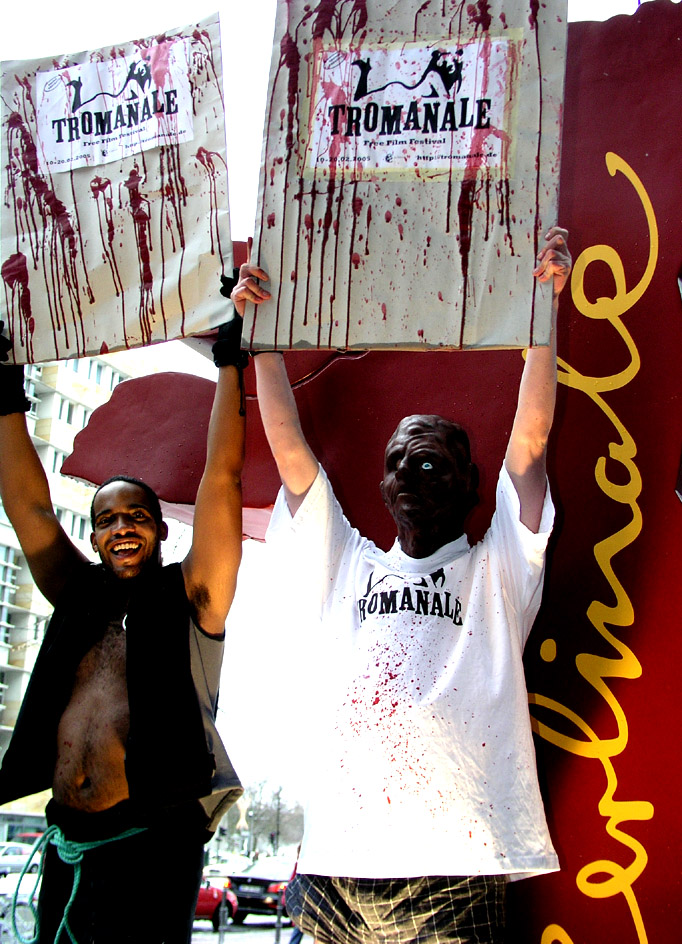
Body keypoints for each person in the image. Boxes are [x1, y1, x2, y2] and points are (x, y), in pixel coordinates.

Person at [231, 228, 572, 944]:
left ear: (474, 487)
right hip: (335, 872)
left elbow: (531, 439)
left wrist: (544, 316)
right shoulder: (344, 562)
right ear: (381, 487)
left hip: (458, 867)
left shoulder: (498, 570)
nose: (415, 465)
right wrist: (260, 341)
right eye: (401, 460)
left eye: (435, 459)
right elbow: (288, 445)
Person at [0, 309, 248, 944]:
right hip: (66, 842)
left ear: (161, 529)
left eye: (136, 514)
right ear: (95, 535)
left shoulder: (193, 595)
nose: (122, 528)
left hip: (152, 847)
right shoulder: (77, 594)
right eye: (106, 520)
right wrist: (2, 388)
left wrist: (229, 363)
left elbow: (220, 477)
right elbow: (27, 503)